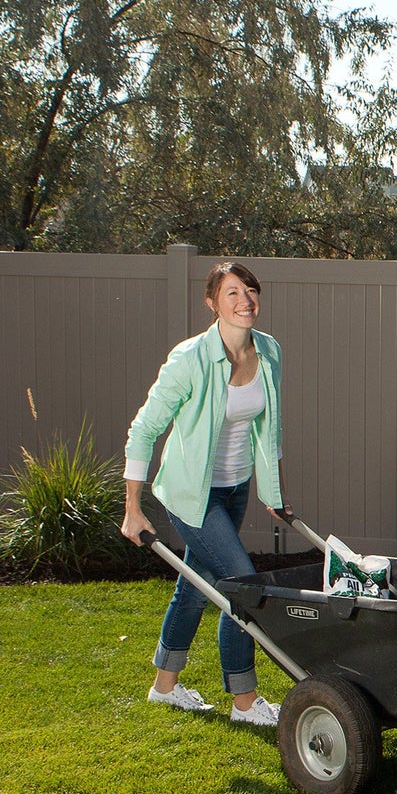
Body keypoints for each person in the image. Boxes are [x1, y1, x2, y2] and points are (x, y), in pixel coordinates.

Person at [121, 260, 286, 726]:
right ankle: (245, 702)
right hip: (191, 495)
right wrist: (133, 509)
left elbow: (268, 430)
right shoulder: (190, 359)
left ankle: (165, 687)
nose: (244, 300)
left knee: (195, 587)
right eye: (231, 292)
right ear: (212, 303)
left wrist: (272, 494)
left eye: (250, 290)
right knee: (242, 583)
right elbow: (144, 430)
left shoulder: (268, 351)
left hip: (234, 490)